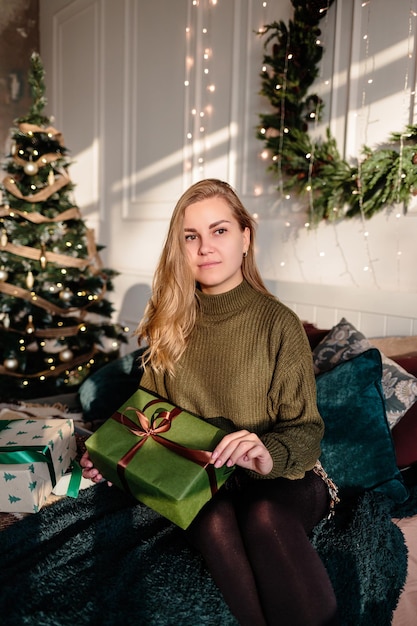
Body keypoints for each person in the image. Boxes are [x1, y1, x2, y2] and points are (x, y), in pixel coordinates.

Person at [81, 178, 339, 626]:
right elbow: (148, 418)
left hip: (280, 476)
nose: (205, 247)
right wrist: (114, 456)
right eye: (190, 236)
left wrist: (265, 452)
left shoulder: (277, 322)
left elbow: (305, 429)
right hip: (203, 477)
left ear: (245, 237)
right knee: (210, 514)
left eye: (219, 230)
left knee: (262, 515)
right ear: (179, 248)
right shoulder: (170, 323)